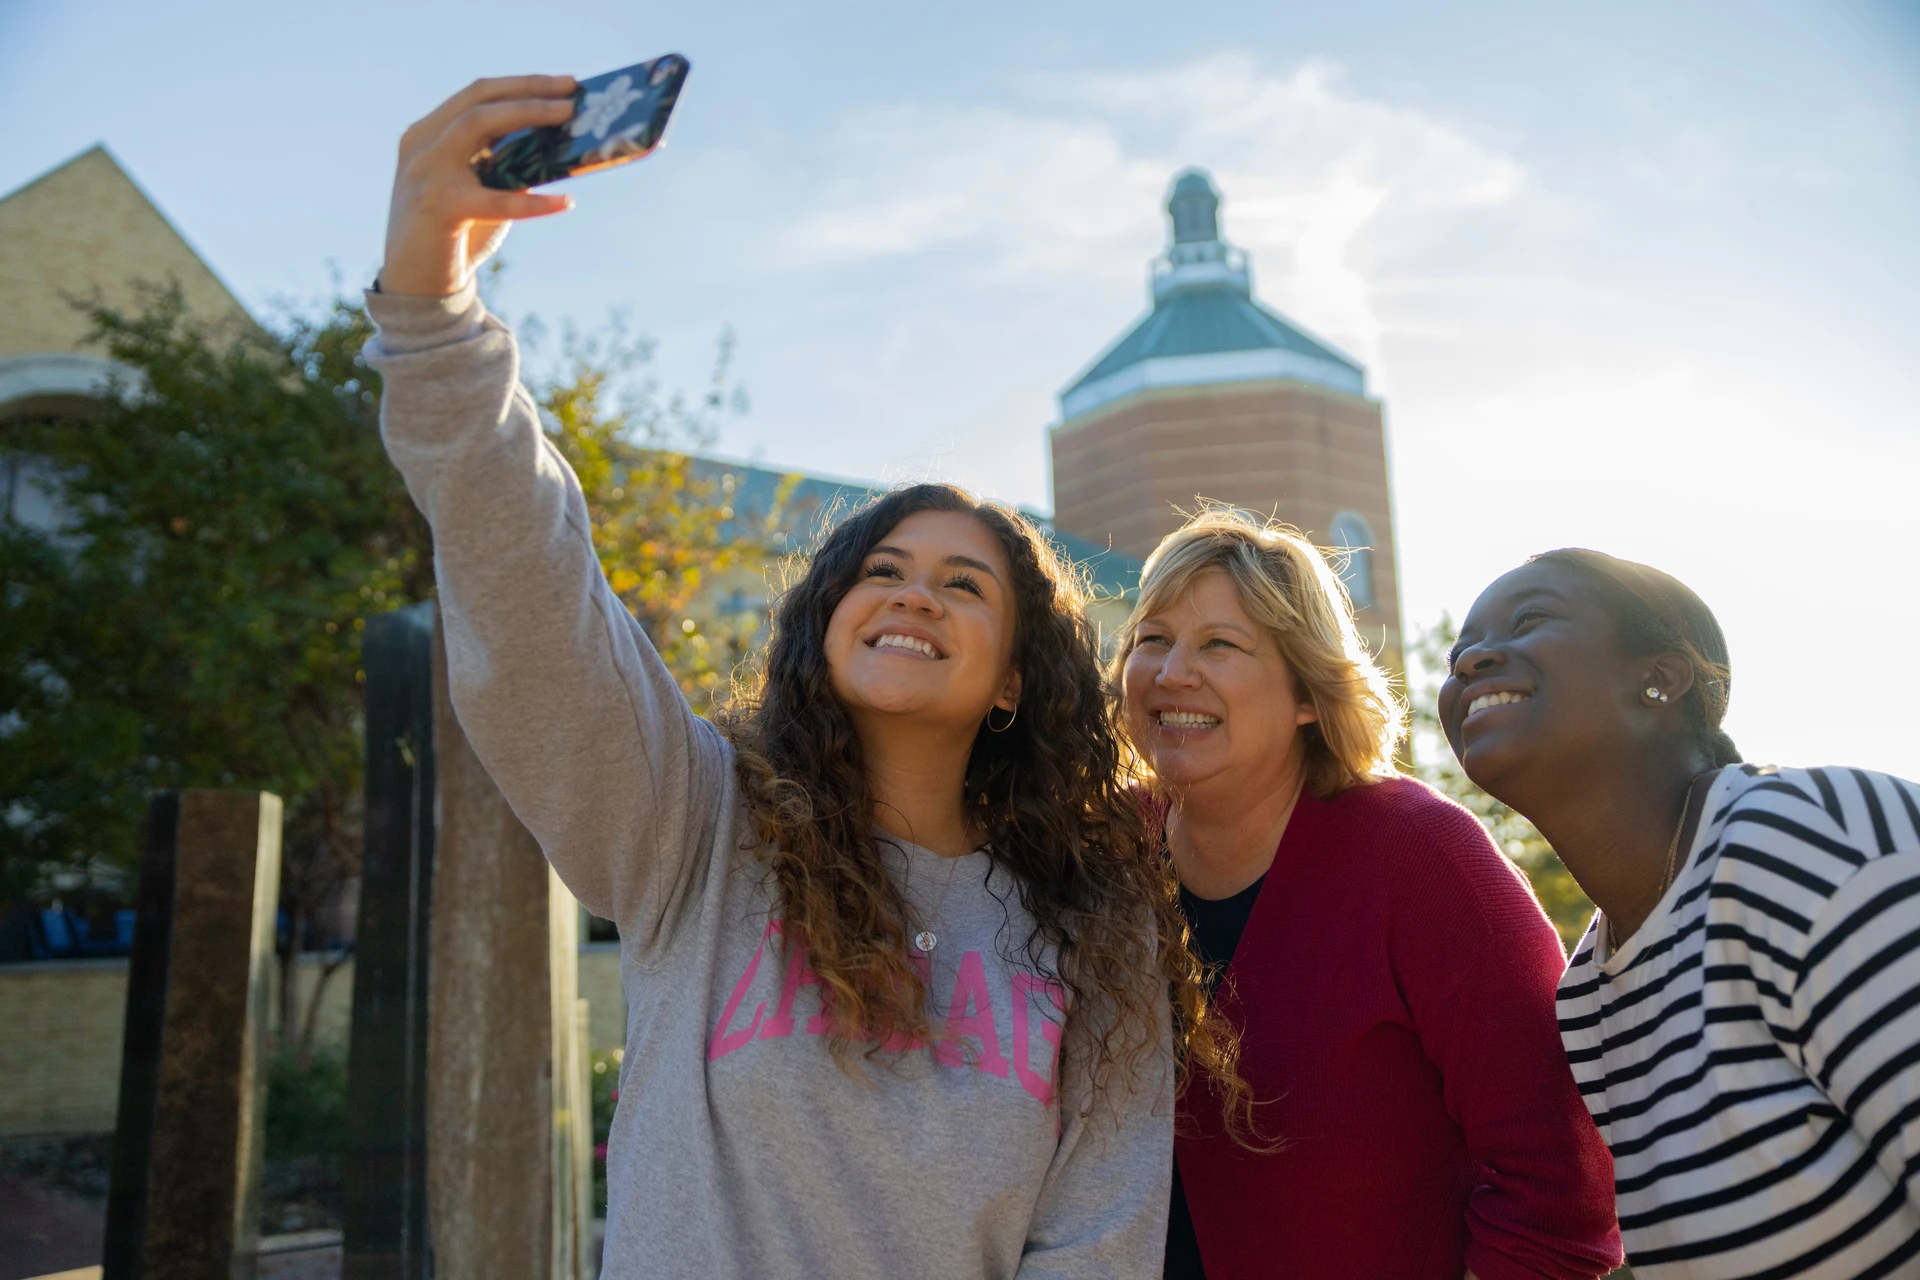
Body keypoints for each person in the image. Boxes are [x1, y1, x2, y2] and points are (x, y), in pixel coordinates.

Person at [370, 75, 1235, 1279]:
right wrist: (434, 308)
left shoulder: (1094, 924)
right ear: (825, 623)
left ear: (1014, 680)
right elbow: (533, 589)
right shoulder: (699, 829)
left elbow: (1097, 1237)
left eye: (964, 583)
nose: (914, 591)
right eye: (882, 568)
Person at [1117, 509, 1622, 1280]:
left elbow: (1560, 1189)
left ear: (1308, 695)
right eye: (1152, 639)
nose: (1171, 671)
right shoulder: (1106, 846)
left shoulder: (1424, 856)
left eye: (1220, 644)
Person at [1442, 548, 1920, 1276]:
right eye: (1460, 650)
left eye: (1530, 619)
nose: (1473, 661)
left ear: (1659, 679)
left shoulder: (1800, 841)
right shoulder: (1591, 991)